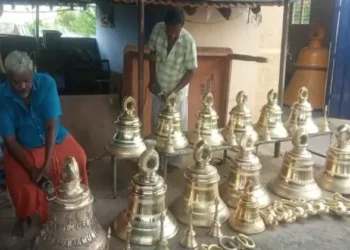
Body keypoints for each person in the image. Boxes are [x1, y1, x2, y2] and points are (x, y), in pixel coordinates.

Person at [0, 50, 88, 237]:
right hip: (23, 145)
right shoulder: (2, 96)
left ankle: (71, 206)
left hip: (54, 137)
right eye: (16, 82)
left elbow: (51, 126)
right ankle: (24, 217)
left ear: (34, 73)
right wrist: (31, 168)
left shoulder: (47, 83)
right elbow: (10, 140)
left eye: (27, 80)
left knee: (79, 158)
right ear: (8, 78)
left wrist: (46, 164)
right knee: (20, 183)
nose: (23, 86)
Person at [148, 7, 198, 168]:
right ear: (165, 25)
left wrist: (174, 92)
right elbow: (152, 55)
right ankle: (157, 161)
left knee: (176, 130)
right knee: (158, 125)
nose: (171, 35)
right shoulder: (157, 29)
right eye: (168, 32)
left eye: (175, 33)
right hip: (160, 88)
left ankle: (174, 164)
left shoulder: (188, 41)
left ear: (181, 27)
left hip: (178, 93)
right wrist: (152, 79)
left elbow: (191, 71)